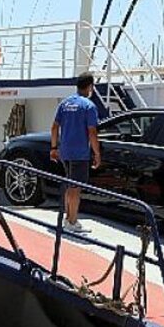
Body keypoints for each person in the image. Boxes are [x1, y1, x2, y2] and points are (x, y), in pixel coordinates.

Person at [50, 72, 101, 234]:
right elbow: (92, 132)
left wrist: (53, 148)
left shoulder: (64, 104)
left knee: (69, 186)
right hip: (80, 153)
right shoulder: (88, 106)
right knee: (75, 188)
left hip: (65, 152)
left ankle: (68, 218)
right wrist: (97, 153)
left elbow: (54, 127)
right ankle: (72, 221)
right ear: (90, 86)